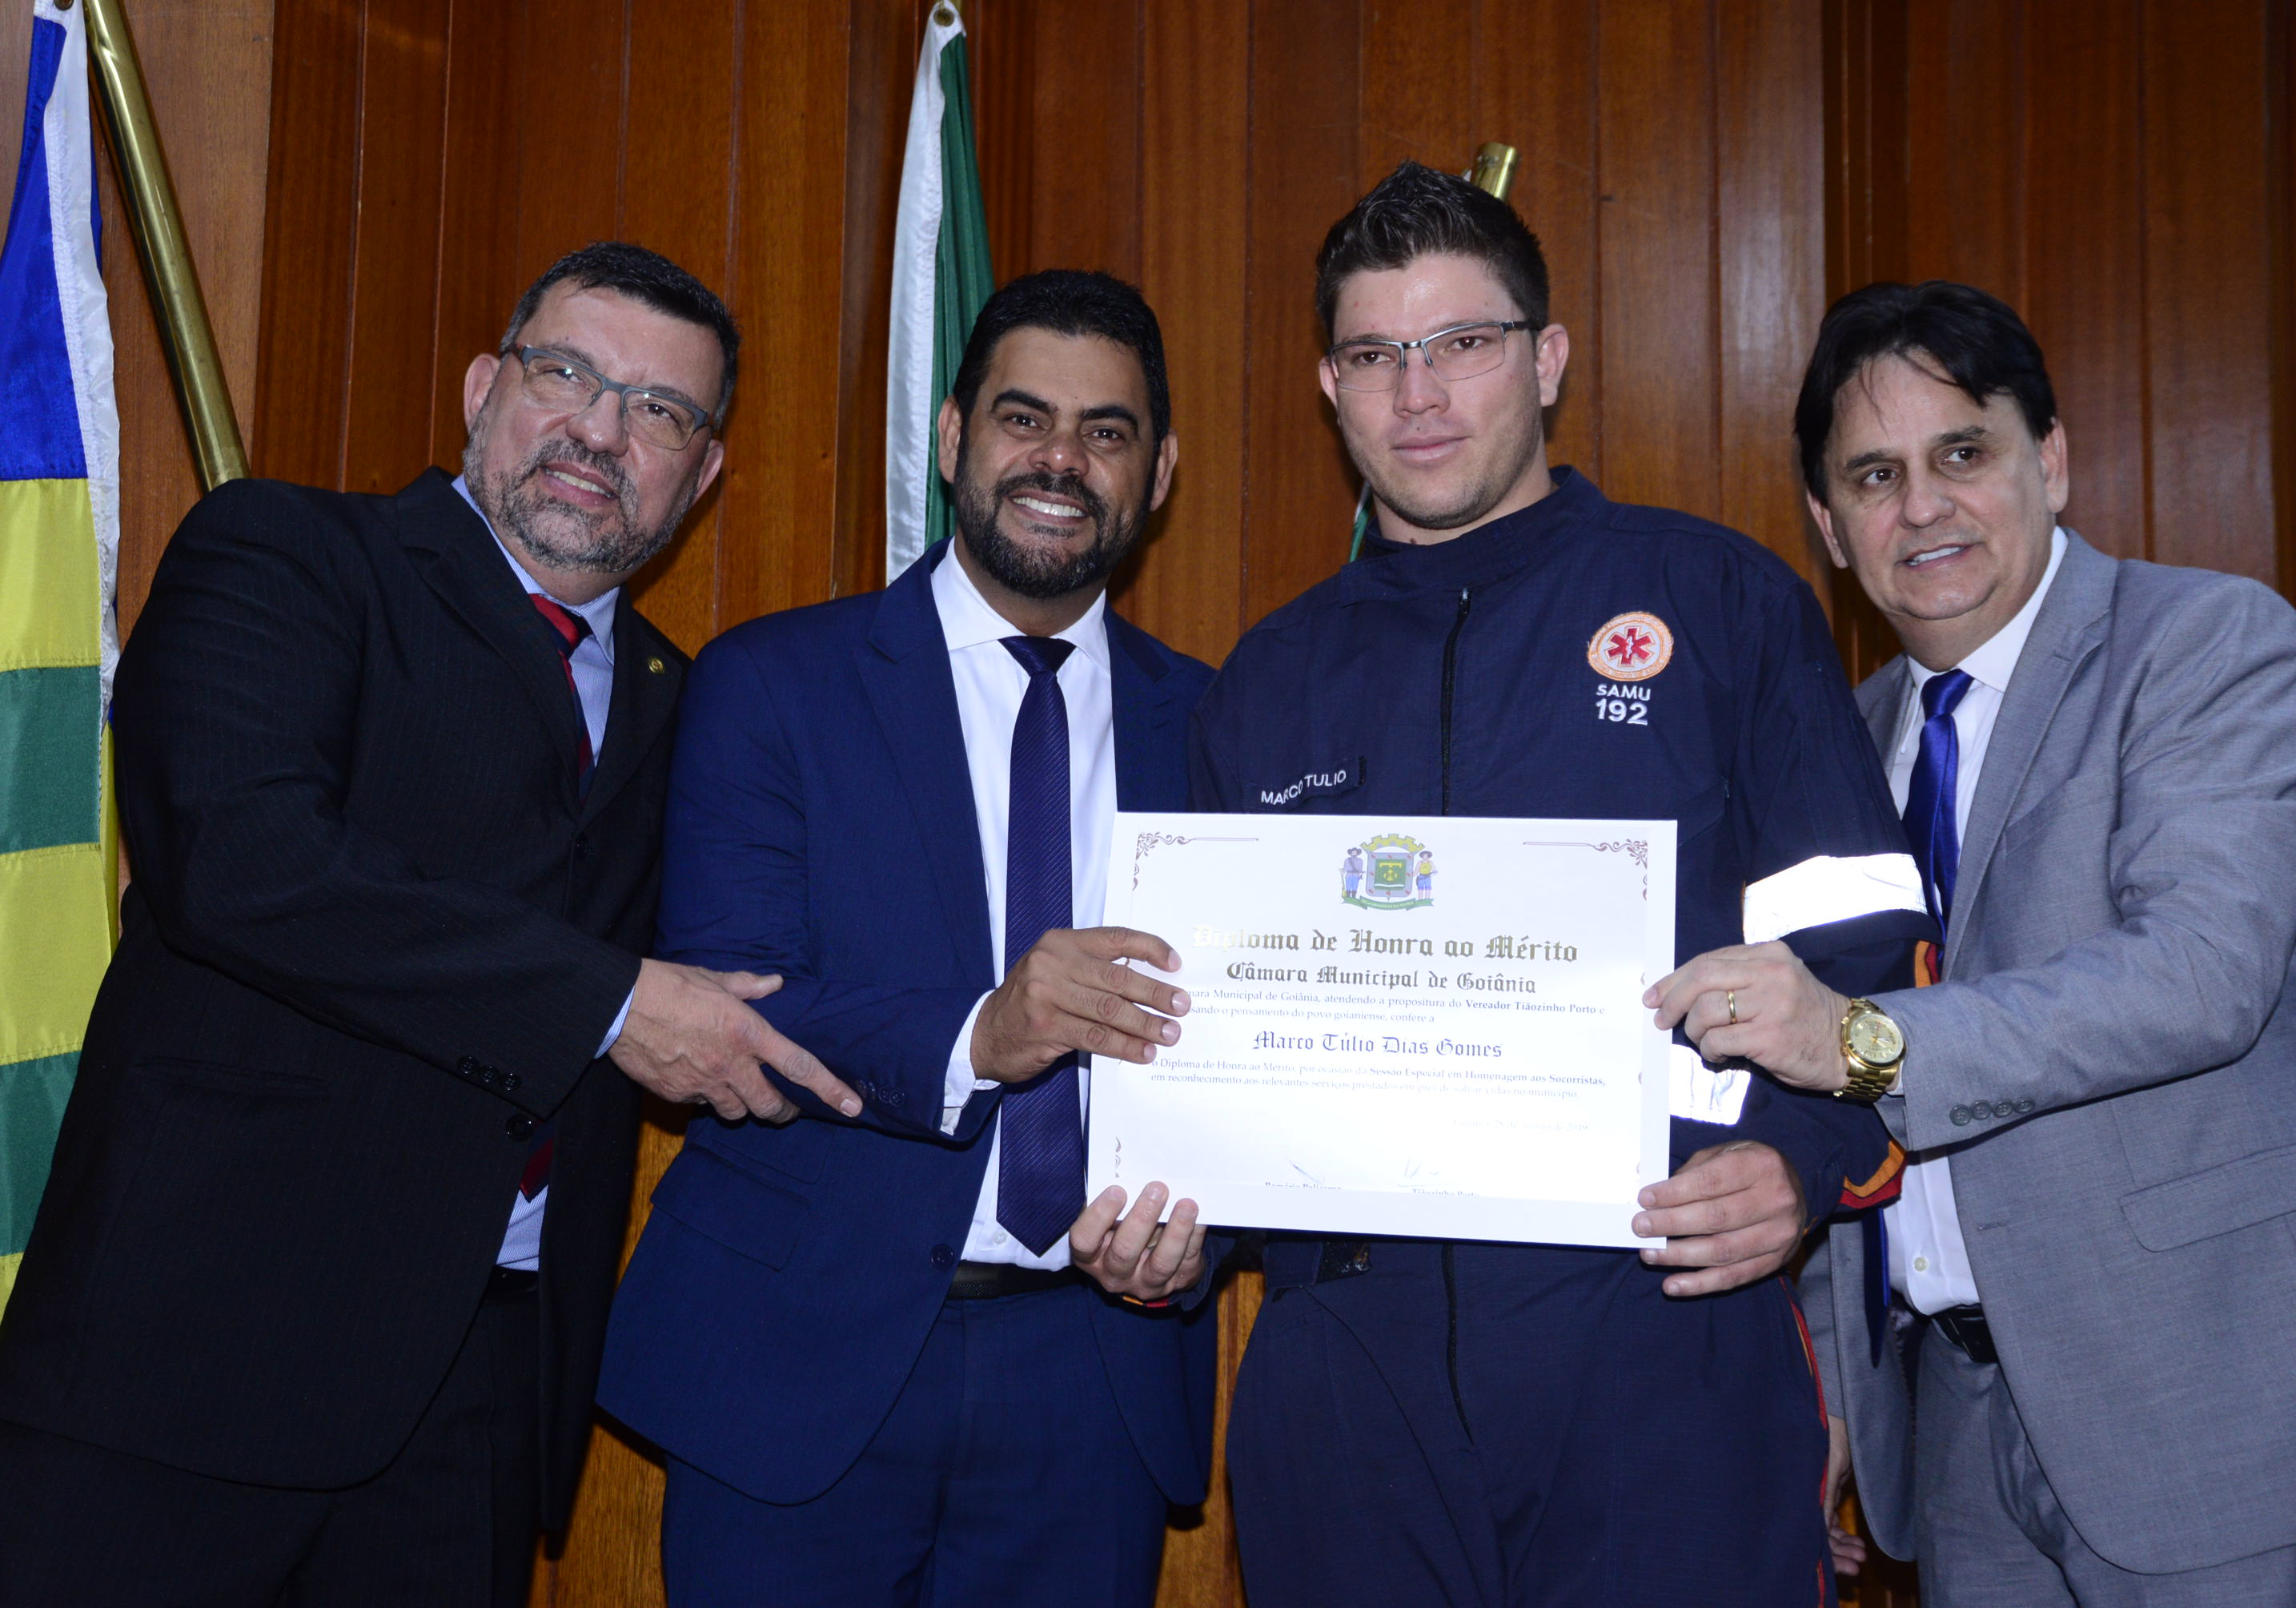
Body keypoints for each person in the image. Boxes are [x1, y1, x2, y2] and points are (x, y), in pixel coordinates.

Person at [0, 242, 861, 1606]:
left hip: (482, 1403)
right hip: (188, 1372)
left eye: (658, 411)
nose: (600, 432)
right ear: (480, 390)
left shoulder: (686, 701)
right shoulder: (285, 552)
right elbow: (239, 859)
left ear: (701, 477)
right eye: (565, 374)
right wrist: (611, 1006)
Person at [1191, 161, 1933, 1608]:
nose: (1418, 394)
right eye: (1374, 355)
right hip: (1349, 1371)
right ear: (1329, 389)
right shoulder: (1263, 685)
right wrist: (1171, 1220)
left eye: (1462, 344)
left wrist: (1797, 1165)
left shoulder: (1723, 606)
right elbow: (1213, 1047)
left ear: (1547, 360)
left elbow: (1877, 971)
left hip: (1658, 1328)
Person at [1656, 278, 2296, 1605]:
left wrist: (1860, 1039)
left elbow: (2200, 976)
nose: (1923, 507)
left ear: (2049, 460)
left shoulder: (2209, 646)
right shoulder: (1841, 740)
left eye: (1964, 453)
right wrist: (1824, 1410)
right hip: (1951, 1433)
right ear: (1829, 526)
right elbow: (1813, 1102)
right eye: (1875, 476)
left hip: (2216, 1409)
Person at [598, 269, 1215, 1608]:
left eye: (1107, 432)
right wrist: (984, 1033)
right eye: (1023, 418)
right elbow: (736, 999)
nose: (1060, 459)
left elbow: (1269, 1057)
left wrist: (1198, 1241)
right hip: (798, 1360)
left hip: (1093, 1385)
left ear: (1159, 473)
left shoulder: (1223, 730)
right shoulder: (773, 684)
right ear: (951, 438)